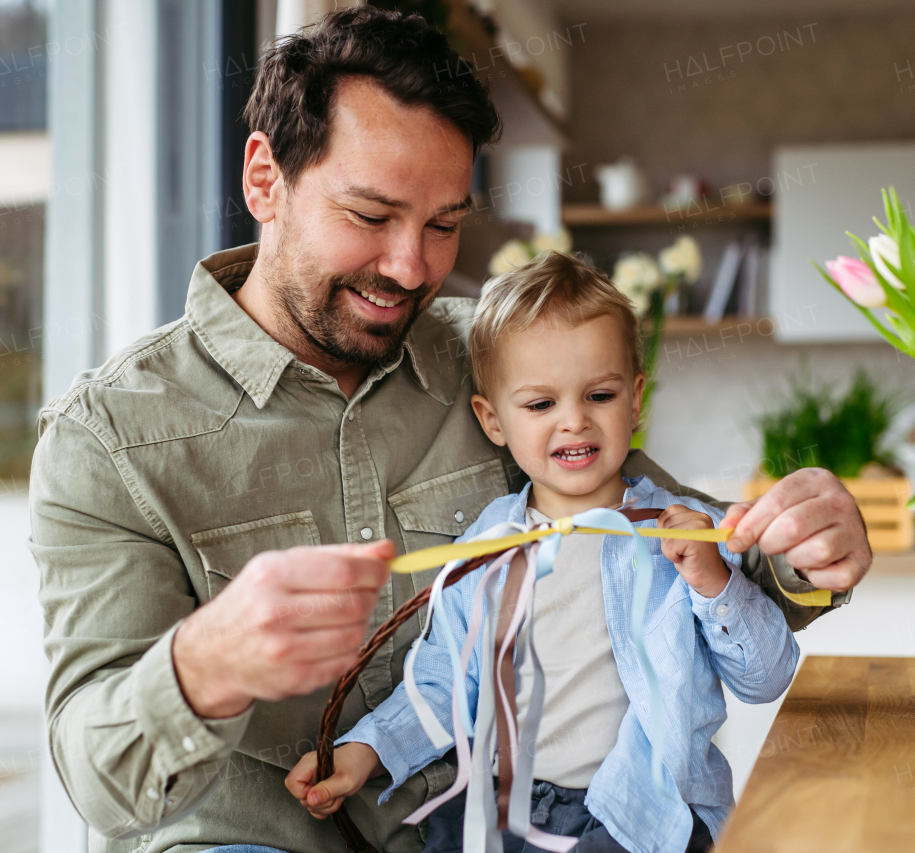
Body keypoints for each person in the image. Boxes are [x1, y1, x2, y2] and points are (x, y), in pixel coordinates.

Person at [29, 8, 869, 853]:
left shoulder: (502, 356)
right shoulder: (108, 437)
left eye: (443, 223)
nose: (411, 267)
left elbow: (683, 539)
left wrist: (806, 546)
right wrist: (204, 662)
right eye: (370, 215)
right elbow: (97, 771)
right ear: (263, 180)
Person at [285, 252, 799, 853]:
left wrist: (715, 585)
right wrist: (363, 751)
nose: (574, 422)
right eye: (540, 404)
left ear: (636, 401)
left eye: (599, 396)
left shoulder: (690, 534)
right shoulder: (484, 546)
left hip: (636, 812)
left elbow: (766, 678)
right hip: (500, 810)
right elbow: (445, 680)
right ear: (493, 420)